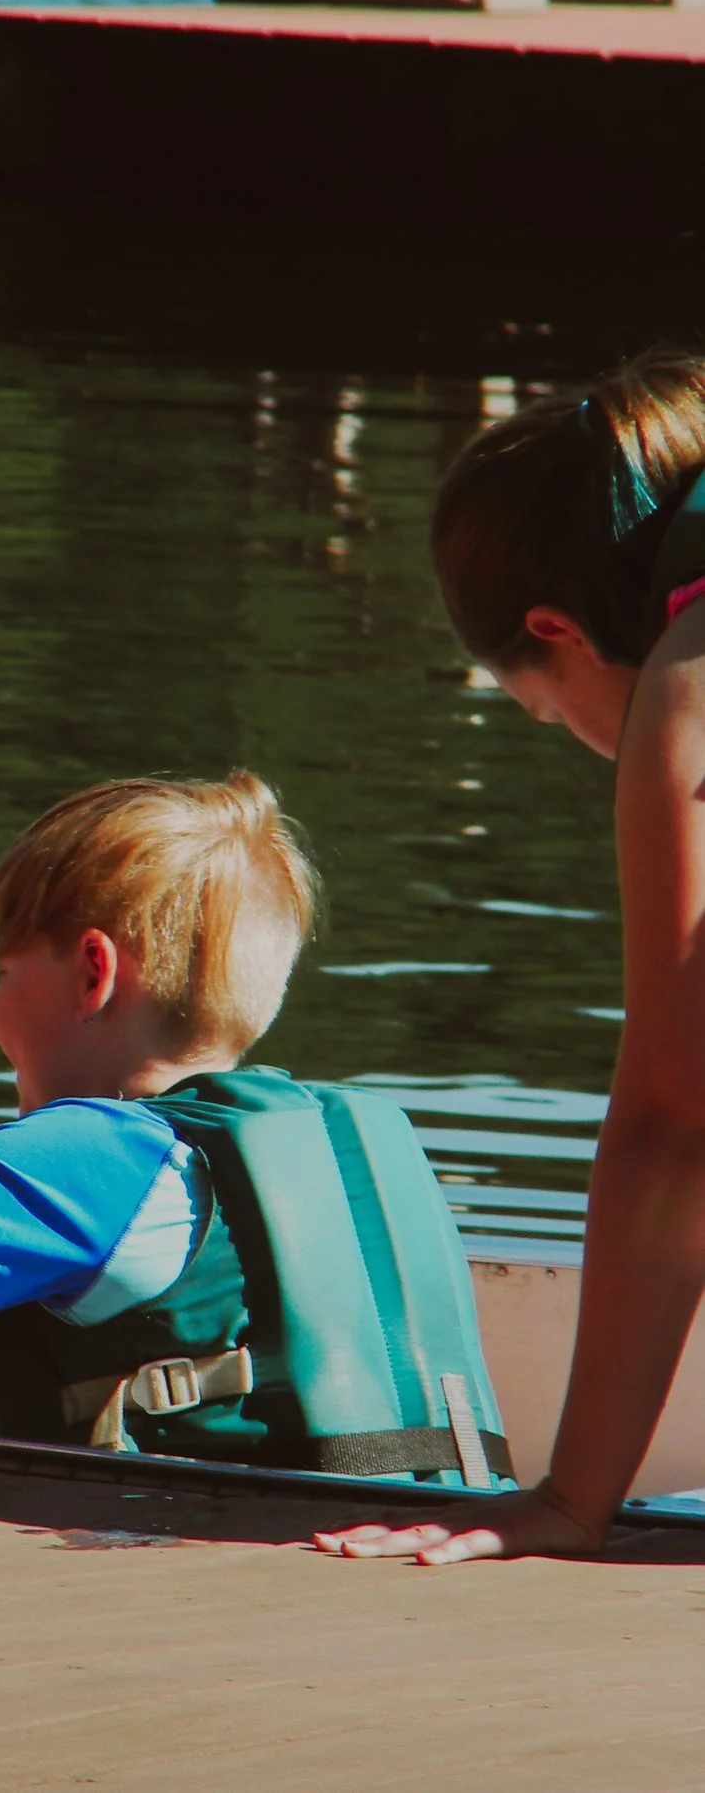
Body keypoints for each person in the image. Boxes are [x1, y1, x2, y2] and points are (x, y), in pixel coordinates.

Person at [0, 775, 514, 1485]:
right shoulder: (337, 1145)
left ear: (92, 971)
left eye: (5, 973)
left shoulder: (86, 1153)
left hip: (249, 1569)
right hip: (419, 1537)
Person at [322, 355, 705, 1561]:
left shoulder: (686, 685)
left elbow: (672, 1125)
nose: (579, 740)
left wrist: (567, 1501)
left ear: (553, 630)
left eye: (543, 711)